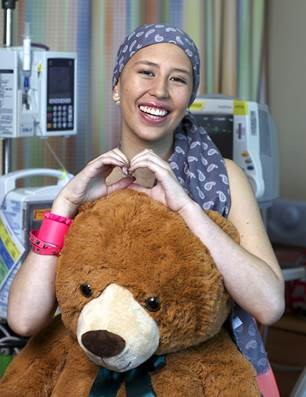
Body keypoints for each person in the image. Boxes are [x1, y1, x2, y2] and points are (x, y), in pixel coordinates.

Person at [8, 23, 284, 394]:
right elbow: (23, 320)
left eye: (178, 80)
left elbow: (269, 305)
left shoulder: (224, 178)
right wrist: (65, 205)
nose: (160, 91)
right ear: (116, 88)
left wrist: (188, 210)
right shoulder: (89, 185)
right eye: (146, 72)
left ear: (189, 98)